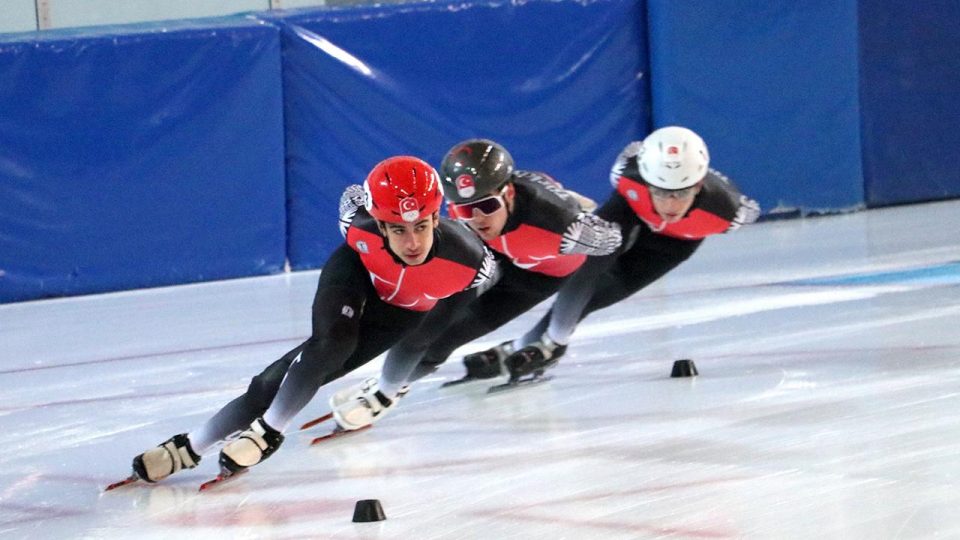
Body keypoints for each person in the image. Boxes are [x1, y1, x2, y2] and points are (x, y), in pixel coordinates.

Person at [127, 156, 496, 483]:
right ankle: (225, 440)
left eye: (421, 227)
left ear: (436, 218)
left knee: (282, 381)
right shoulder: (358, 223)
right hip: (356, 273)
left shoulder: (471, 263)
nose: (412, 243)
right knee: (331, 344)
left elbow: (446, 316)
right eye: (398, 229)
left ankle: (201, 443)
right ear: (380, 225)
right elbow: (354, 196)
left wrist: (406, 367)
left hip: (402, 311)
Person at [327, 139, 622, 423]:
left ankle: (390, 390)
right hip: (490, 258)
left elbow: (612, 240)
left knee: (448, 340)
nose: (478, 218)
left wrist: (585, 222)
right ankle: (389, 385)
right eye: (466, 210)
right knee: (426, 328)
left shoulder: (557, 224)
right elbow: (357, 196)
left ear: (508, 194)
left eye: (488, 206)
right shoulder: (465, 219)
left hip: (536, 277)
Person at [501, 126, 761, 378]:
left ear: (698, 186)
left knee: (601, 293)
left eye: (681, 193)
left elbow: (751, 209)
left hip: (674, 244)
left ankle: (530, 345)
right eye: (660, 191)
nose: (670, 205)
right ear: (646, 181)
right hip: (629, 212)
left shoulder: (728, 211)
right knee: (585, 266)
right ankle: (551, 343)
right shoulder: (626, 174)